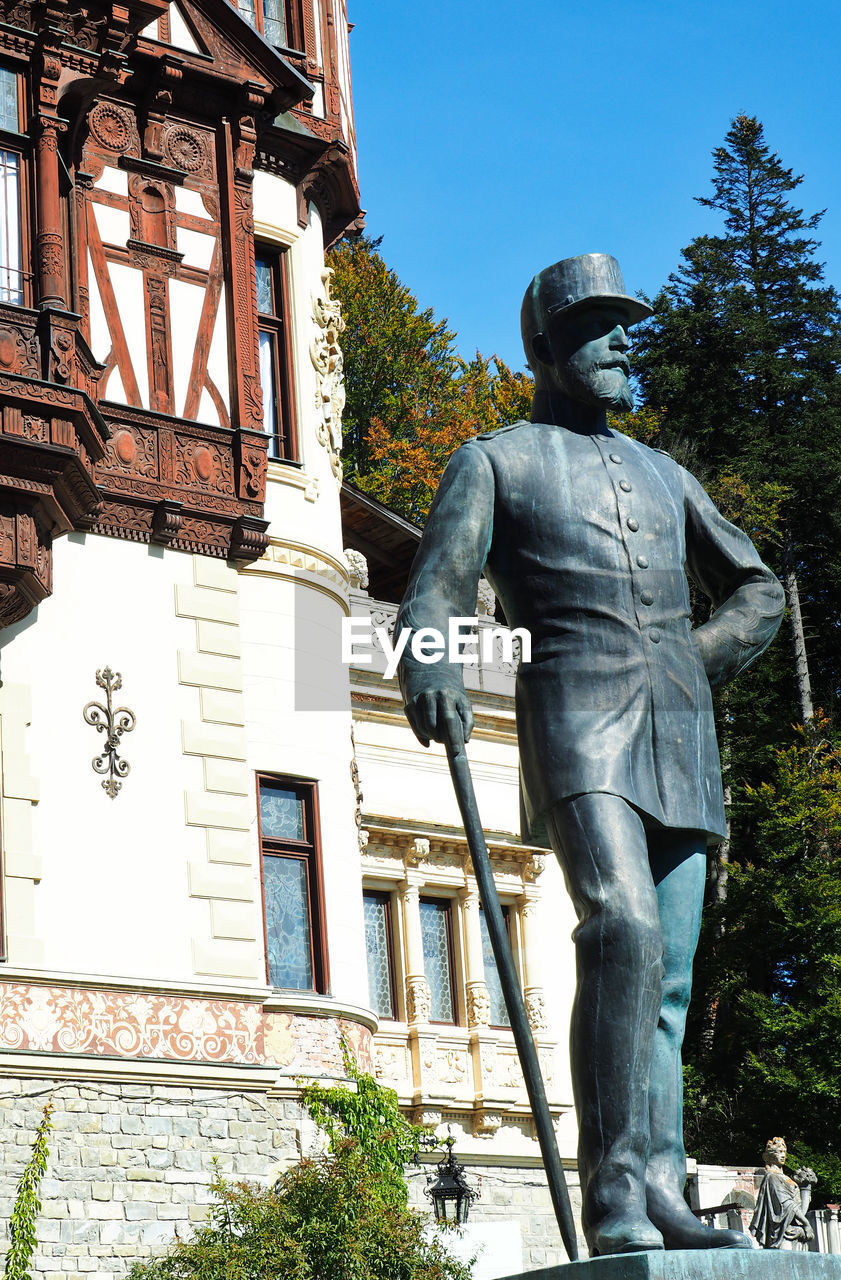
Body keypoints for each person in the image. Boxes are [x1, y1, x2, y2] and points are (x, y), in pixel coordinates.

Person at [396, 254, 785, 1257]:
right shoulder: (495, 460)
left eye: (625, 325)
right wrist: (428, 666)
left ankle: (660, 1188)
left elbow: (760, 589)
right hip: (574, 715)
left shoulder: (666, 475)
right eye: (598, 326)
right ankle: (615, 1191)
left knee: (667, 976)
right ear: (545, 346)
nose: (622, 343)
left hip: (680, 733)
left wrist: (694, 662)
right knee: (622, 926)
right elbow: (433, 590)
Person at [750, 1138, 815, 1250]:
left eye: (784, 1152)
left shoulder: (785, 1178)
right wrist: (806, 1224)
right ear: (770, 1156)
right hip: (782, 1233)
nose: (783, 1155)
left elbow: (795, 1206)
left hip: (794, 1229)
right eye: (779, 1152)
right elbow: (787, 1205)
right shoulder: (772, 1177)